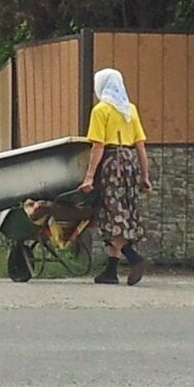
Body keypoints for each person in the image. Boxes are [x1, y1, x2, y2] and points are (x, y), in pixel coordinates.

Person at [78, 68, 152, 285]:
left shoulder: (101, 110)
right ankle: (110, 272)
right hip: (129, 165)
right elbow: (140, 147)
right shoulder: (130, 110)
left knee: (111, 215)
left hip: (112, 165)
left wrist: (89, 176)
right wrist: (145, 175)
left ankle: (135, 258)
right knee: (124, 213)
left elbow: (98, 146)